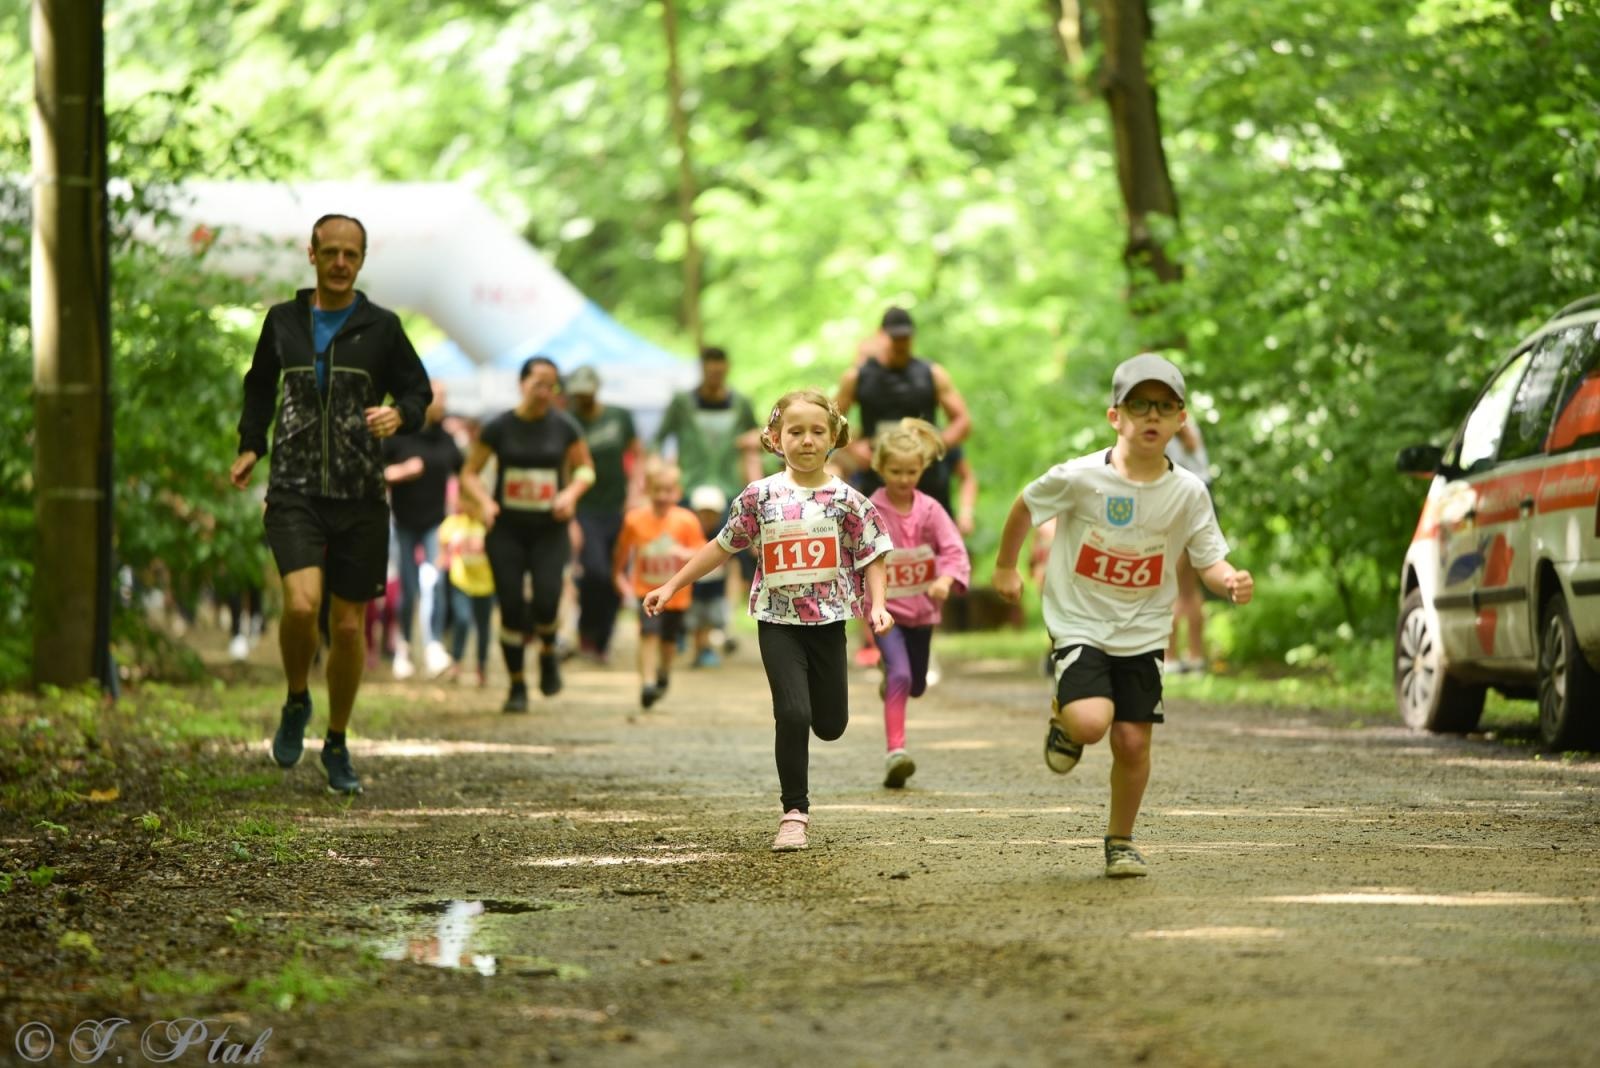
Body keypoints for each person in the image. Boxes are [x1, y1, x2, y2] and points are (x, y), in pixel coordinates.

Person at [992, 352, 1253, 879]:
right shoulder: (1080, 477)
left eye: (1165, 406)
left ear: (1181, 420)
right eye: (1139, 405)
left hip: (1145, 629)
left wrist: (1229, 578)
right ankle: (1066, 719)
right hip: (1079, 620)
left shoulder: (1188, 492)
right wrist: (1005, 566)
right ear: (1116, 416)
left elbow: (1208, 558)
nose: (1152, 415)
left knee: (1132, 742)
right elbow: (1025, 505)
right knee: (1091, 722)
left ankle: (1121, 840)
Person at [642, 389, 894, 852]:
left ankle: (815, 726)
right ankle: (794, 813)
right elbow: (722, 546)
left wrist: (877, 604)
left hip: (829, 621)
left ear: (833, 437)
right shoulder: (760, 496)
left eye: (817, 431)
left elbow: (872, 553)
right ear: (776, 439)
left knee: (830, 724)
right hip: (776, 620)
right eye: (795, 432)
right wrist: (672, 585)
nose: (806, 440)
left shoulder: (848, 499)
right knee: (793, 713)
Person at [232, 213, 432, 795]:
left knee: (347, 628)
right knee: (301, 606)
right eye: (331, 252)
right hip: (293, 488)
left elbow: (418, 390)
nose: (341, 263)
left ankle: (337, 741)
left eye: (351, 254)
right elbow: (258, 386)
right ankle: (297, 698)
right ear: (312, 255)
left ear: (361, 261)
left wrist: (401, 414)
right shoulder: (283, 321)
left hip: (360, 494)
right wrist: (250, 445)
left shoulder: (383, 327)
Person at [836, 308, 972, 667]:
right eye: (894, 336)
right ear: (881, 335)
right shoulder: (858, 377)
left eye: (906, 337)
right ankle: (878, 639)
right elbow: (832, 424)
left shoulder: (931, 374)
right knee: (873, 555)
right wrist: (854, 449)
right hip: (876, 482)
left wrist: (935, 446)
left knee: (928, 558)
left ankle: (923, 641)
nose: (900, 343)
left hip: (926, 482)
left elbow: (963, 420)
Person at [460, 355, 595, 712]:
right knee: (510, 606)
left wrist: (570, 494)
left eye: (551, 385)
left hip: (549, 530)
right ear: (522, 384)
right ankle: (517, 684)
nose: (544, 392)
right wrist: (484, 503)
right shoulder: (499, 427)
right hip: (506, 530)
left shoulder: (564, 427)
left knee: (547, 600)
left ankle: (548, 652)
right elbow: (469, 473)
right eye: (538, 384)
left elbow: (586, 469)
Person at [868, 419, 971, 788]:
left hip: (923, 612)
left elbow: (953, 549)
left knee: (916, 685)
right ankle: (896, 752)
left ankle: (892, 676)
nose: (903, 479)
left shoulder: (930, 510)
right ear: (880, 467)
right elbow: (855, 553)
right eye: (895, 471)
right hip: (886, 613)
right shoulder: (870, 510)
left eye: (911, 472)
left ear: (922, 469)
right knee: (901, 675)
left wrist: (945, 579)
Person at [653, 346, 764, 635]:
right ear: (702, 369)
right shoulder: (682, 402)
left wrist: (750, 446)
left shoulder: (740, 403)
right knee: (685, 551)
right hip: (690, 487)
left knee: (731, 555)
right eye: (710, 370)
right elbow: (659, 439)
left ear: (726, 369)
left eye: (720, 370)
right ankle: (680, 619)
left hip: (729, 489)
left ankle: (721, 624)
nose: (715, 375)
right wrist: (661, 472)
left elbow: (758, 436)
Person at [382, 379, 463, 680]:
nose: (442, 402)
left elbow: (464, 473)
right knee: (407, 588)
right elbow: (374, 472)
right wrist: (401, 472)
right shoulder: (398, 434)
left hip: (435, 524)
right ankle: (403, 647)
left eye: (445, 396)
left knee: (435, 583)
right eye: (437, 396)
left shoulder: (446, 440)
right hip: (402, 522)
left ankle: (433, 646)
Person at [613, 460, 704, 709]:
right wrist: (619, 577)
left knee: (668, 640)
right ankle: (648, 683)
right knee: (648, 634)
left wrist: (685, 553)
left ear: (678, 492)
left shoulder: (687, 520)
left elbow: (702, 550)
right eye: (657, 490)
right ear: (647, 490)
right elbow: (622, 552)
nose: (663, 496)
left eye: (668, 490)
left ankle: (664, 672)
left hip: (678, 595)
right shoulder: (634, 519)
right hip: (647, 591)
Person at [567, 364, 642, 664]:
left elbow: (637, 454)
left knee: (615, 573)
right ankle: (586, 628)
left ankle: (602, 640)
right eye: (577, 394)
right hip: (585, 508)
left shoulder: (618, 416)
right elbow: (565, 466)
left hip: (618, 507)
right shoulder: (569, 421)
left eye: (586, 393)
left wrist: (635, 493)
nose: (582, 398)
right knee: (595, 571)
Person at [1164, 420, 1214, 673]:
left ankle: (1170, 657)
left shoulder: (1163, 428)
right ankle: (1196, 657)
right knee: (1189, 589)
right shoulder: (1190, 425)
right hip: (1204, 499)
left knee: (1168, 584)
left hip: (1180, 500)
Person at [437, 500, 495, 687]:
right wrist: (443, 557)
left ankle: (481, 667)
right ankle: (456, 662)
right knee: (461, 620)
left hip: (486, 584)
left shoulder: (487, 523)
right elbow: (441, 541)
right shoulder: (453, 523)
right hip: (461, 582)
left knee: (483, 627)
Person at [685, 484, 730, 668]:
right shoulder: (690, 533)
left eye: (712, 514)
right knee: (694, 622)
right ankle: (698, 650)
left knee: (711, 620)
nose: (707, 518)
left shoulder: (724, 534)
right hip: (694, 589)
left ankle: (705, 649)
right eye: (703, 513)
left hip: (715, 589)